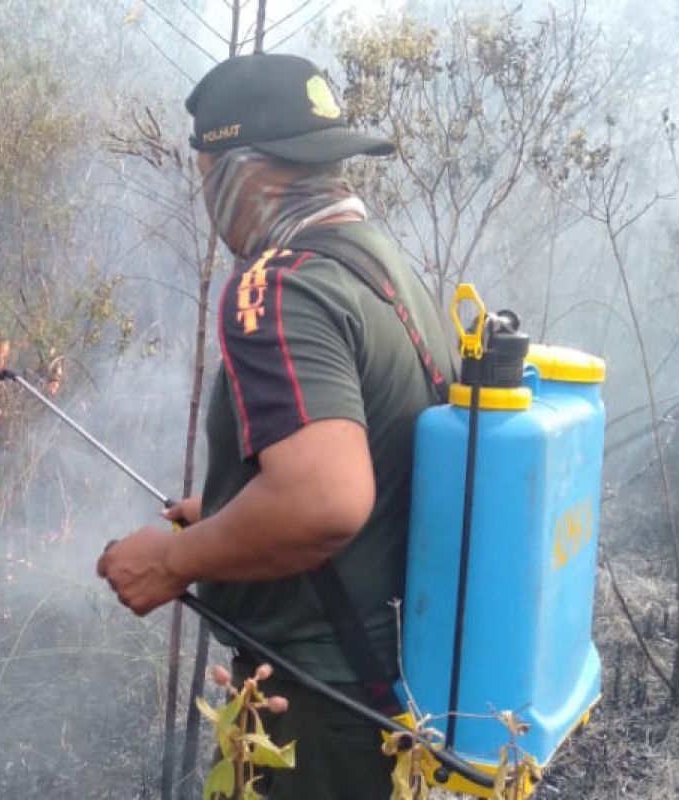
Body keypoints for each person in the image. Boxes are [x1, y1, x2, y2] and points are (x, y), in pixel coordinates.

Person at [96, 53, 459, 799]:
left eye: (206, 178)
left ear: (243, 174)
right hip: (397, 689)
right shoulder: (381, 264)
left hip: (321, 707)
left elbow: (324, 502)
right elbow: (381, 459)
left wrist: (174, 561)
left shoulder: (279, 282)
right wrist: (230, 511)